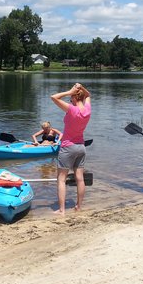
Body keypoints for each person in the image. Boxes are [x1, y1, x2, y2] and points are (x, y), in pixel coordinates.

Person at [51, 83, 91, 215]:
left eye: (71, 98)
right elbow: (88, 95)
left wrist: (69, 91)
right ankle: (79, 207)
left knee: (61, 179)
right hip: (81, 147)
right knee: (80, 178)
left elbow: (54, 97)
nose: (70, 100)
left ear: (74, 98)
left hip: (68, 147)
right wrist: (81, 88)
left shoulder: (71, 109)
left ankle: (62, 210)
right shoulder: (87, 110)